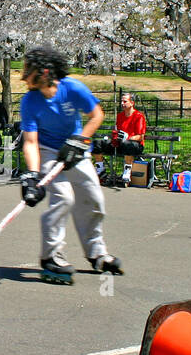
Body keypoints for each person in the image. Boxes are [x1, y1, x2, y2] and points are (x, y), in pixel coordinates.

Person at [17, 45, 122, 283]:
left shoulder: (72, 88)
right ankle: (50, 257)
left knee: (94, 199)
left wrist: (80, 140)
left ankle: (97, 255)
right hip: (48, 152)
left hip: (76, 149)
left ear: (44, 72)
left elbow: (97, 115)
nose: (24, 77)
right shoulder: (30, 101)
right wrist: (32, 176)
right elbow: (31, 141)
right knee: (63, 198)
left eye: (29, 72)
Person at [93, 91, 147, 185]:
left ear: (132, 103)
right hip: (120, 144)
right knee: (97, 143)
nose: (122, 104)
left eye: (125, 101)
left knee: (127, 144)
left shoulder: (139, 116)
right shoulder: (119, 116)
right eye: (121, 101)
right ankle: (101, 170)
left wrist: (128, 137)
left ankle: (127, 173)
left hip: (134, 145)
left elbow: (140, 137)